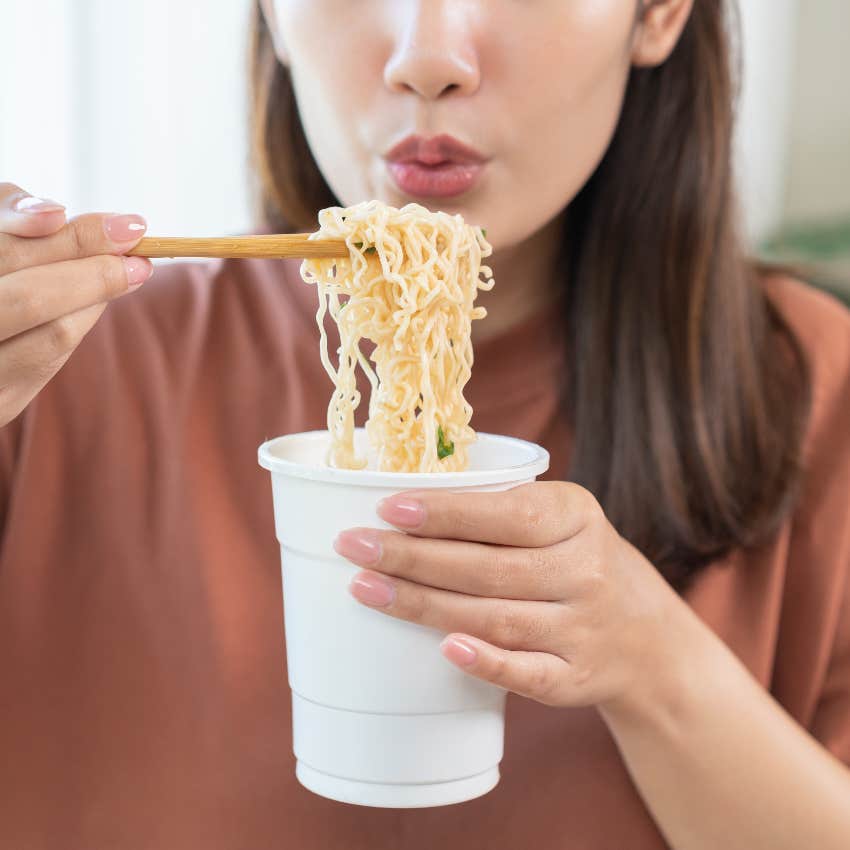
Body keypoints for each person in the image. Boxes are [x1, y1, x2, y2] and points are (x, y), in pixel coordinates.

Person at [1, 0, 848, 847]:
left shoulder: (821, 393)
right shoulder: (55, 368)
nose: (429, 57)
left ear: (658, 13)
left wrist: (657, 665)